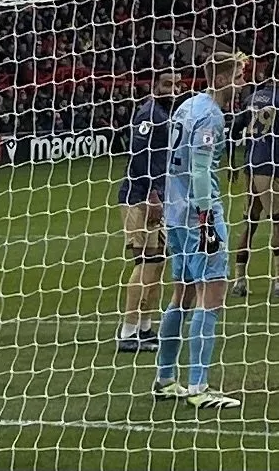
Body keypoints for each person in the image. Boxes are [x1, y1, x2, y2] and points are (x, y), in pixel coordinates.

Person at [154, 50, 249, 410]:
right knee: (212, 297)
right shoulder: (210, 115)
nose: (242, 83)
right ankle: (198, 386)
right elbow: (198, 171)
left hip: (176, 214)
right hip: (199, 216)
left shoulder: (187, 105)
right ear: (222, 79)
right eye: (238, 76)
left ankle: (165, 378)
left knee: (182, 295)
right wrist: (208, 220)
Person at [115, 66, 182, 352]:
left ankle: (144, 327)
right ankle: (128, 332)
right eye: (166, 84)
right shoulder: (149, 115)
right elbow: (140, 156)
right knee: (144, 263)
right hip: (139, 197)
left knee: (156, 264)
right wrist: (153, 195)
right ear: (154, 85)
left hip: (157, 197)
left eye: (176, 85)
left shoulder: (164, 115)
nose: (172, 90)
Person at [231, 63, 279, 300]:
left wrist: (232, 163)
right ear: (277, 77)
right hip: (270, 167)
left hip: (249, 164)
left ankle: (239, 280)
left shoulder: (251, 98)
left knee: (250, 223)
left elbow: (235, 127)